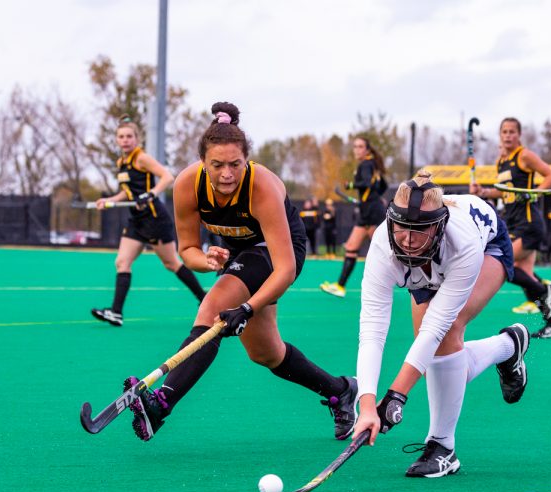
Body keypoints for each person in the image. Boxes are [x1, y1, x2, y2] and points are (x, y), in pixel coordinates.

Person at [126, 102, 357, 442]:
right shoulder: (187, 186)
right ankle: (340, 390)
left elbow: (285, 269)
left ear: (246, 160)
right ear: (203, 163)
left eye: (235, 164)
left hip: (281, 252)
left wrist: (246, 308)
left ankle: (161, 403)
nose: (227, 174)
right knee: (266, 353)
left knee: (213, 306)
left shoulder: (261, 187)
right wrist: (208, 260)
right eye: (217, 165)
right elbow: (187, 251)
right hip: (239, 254)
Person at [351, 171, 529, 478]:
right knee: (436, 355)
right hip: (429, 266)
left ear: (439, 226)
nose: (407, 240)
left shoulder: (464, 243)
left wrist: (396, 395)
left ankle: (442, 447)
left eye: (418, 230)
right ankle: (508, 346)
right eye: (401, 228)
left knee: (445, 333)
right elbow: (372, 330)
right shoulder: (384, 244)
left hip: (488, 247)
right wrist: (367, 404)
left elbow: (434, 329)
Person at [90, 116, 206, 326]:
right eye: (121, 137)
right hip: (136, 220)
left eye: (129, 136)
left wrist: (151, 194)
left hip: (154, 219)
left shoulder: (141, 158)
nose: (125, 140)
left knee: (171, 263)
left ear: (137, 139)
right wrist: (109, 201)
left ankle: (204, 299)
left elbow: (167, 176)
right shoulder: (121, 163)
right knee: (122, 262)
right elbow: (127, 192)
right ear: (116, 140)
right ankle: (116, 312)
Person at [470, 117, 551, 339]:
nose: (507, 135)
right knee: (524, 276)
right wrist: (484, 192)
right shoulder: (500, 161)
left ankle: (546, 290)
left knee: (506, 266)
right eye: (504, 131)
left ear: (519, 135)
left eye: (512, 131)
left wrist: (535, 192)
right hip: (512, 221)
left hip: (529, 222)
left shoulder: (524, 155)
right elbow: (504, 191)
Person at [320, 137, 388, 297]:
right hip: (369, 209)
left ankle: (407, 278)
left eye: (360, 147)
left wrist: (350, 185)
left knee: (383, 250)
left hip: (371, 211)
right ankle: (340, 286)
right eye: (355, 146)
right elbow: (382, 185)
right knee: (351, 246)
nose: (357, 150)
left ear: (367, 149)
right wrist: (373, 197)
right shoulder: (373, 165)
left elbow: (366, 183)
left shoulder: (366, 164)